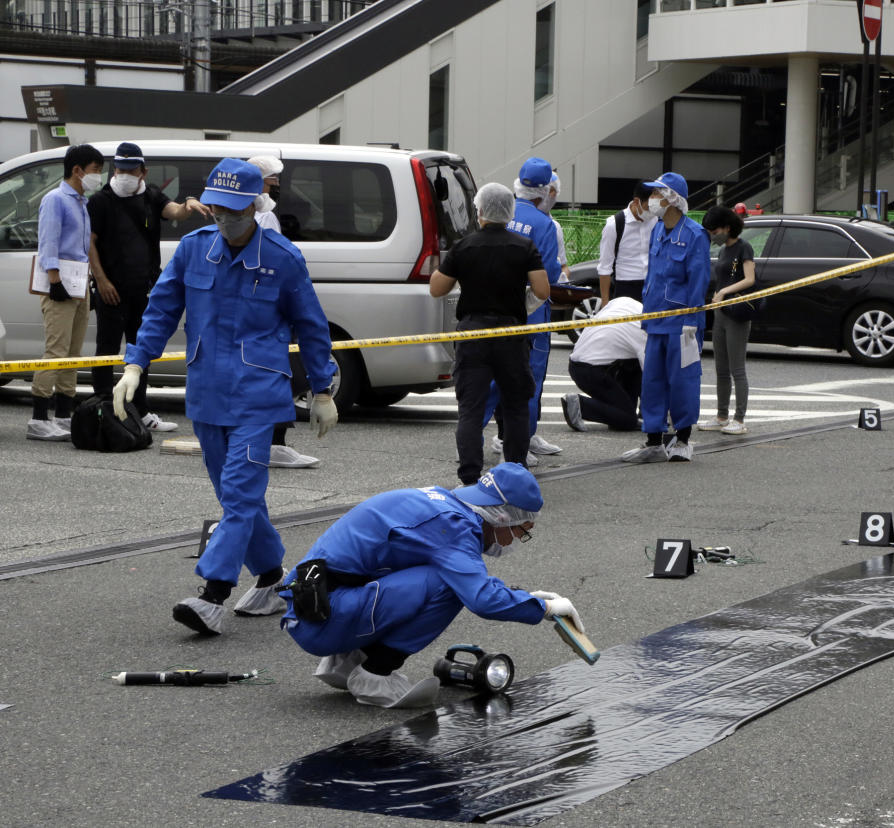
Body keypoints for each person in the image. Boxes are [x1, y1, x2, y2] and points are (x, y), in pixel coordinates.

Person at [114, 158, 339, 635]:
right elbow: (160, 310)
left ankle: (212, 594)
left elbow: (313, 328)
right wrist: (136, 365)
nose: (224, 217)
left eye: (234, 209)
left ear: (257, 205)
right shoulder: (194, 250)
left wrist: (322, 390)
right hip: (207, 394)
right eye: (217, 208)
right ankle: (275, 577)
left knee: (238, 495)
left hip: (259, 396)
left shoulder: (283, 257)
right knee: (239, 498)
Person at [279, 462, 585, 709]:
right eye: (522, 531)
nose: (518, 540)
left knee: (446, 576)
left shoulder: (442, 503)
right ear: (503, 516)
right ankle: (375, 674)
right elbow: (481, 598)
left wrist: (522, 598)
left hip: (314, 606)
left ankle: (346, 662)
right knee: (448, 585)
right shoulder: (455, 527)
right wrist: (544, 608)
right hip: (321, 620)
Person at [87, 142, 210, 435]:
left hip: (143, 288)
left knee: (140, 349)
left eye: (131, 169)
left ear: (143, 171)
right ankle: (103, 407)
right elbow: (88, 242)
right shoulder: (101, 201)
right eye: (120, 168)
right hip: (110, 288)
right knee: (106, 348)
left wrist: (189, 204)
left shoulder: (151, 195)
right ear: (113, 169)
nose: (125, 174)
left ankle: (140, 411)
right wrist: (101, 280)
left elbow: (176, 212)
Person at [430, 182, 549, 485]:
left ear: (479, 210)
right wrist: (524, 305)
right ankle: (515, 473)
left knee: (470, 409)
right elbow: (543, 289)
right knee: (515, 406)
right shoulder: (524, 247)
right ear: (509, 212)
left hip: (473, 334)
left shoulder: (465, 246)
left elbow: (437, 288)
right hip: (511, 333)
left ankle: (469, 478)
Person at [621, 171, 711, 463]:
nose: (651, 200)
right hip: (655, 319)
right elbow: (652, 276)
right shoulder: (657, 230)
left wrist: (692, 323)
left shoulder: (695, 235)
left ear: (672, 199)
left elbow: (698, 282)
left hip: (681, 323)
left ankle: (683, 439)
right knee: (653, 381)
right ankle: (653, 440)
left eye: (657, 194)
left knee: (683, 380)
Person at [483, 158, 562, 462]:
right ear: (546, 191)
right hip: (531, 314)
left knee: (490, 377)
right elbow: (550, 276)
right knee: (528, 380)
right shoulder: (545, 224)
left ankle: (481, 438)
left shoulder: (502, 214)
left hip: (494, 309)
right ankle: (520, 444)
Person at [246, 154, 320, 470]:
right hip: (265, 308)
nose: (277, 187)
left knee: (275, 374)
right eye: (272, 180)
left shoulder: (263, 215)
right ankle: (270, 444)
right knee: (276, 374)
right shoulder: (257, 216)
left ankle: (271, 443)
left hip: (266, 306)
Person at [28, 143, 104, 442]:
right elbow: (49, 242)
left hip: (79, 285)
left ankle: (62, 414)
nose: (98, 176)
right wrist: (54, 280)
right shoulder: (56, 200)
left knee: (73, 353)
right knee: (55, 351)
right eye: (96, 171)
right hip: (59, 284)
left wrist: (89, 285)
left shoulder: (82, 202)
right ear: (78, 170)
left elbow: (83, 250)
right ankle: (38, 418)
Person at [699, 204, 755, 436]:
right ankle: (722, 416)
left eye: (715, 231)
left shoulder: (744, 248)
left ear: (727, 227)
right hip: (721, 312)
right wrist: (717, 294)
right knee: (721, 368)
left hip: (737, 312)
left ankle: (739, 419)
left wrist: (724, 292)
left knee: (737, 368)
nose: (713, 235)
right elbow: (723, 278)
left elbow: (750, 279)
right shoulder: (723, 252)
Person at [561, 296, 646, 432]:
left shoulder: (628, 302)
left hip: (579, 362)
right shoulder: (644, 333)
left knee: (634, 364)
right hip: (591, 371)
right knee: (628, 420)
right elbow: (651, 379)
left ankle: (618, 415)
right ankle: (581, 405)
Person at [597, 182, 657, 303]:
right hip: (626, 286)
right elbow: (605, 267)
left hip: (652, 284)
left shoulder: (656, 221)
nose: (652, 211)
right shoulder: (614, 224)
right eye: (649, 207)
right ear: (636, 202)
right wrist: (605, 302)